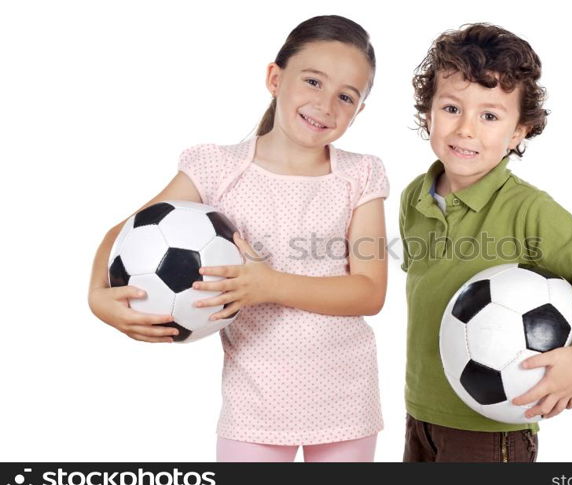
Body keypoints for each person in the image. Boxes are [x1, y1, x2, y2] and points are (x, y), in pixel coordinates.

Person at [87, 15, 389, 462]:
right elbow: (124, 233)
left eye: (346, 96)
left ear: (359, 110)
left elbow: (369, 291)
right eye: (312, 81)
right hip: (254, 402)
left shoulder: (359, 174)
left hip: (346, 398)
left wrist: (269, 284)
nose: (325, 105)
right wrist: (98, 298)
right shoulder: (217, 168)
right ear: (275, 78)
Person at [398, 23, 572, 462]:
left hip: (491, 432)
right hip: (421, 413)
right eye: (451, 108)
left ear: (518, 132)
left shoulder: (528, 209)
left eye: (489, 116)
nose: (466, 129)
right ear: (427, 112)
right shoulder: (415, 197)